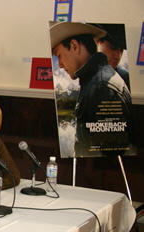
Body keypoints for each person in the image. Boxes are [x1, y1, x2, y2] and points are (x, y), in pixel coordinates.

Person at [50, 21, 133, 157]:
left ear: (74, 46)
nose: (59, 65)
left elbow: (109, 155)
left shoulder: (101, 87)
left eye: (59, 55)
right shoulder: (94, 81)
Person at [93, 23, 130, 90]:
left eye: (121, 50)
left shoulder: (125, 78)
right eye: (113, 47)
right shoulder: (78, 75)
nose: (118, 56)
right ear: (97, 42)